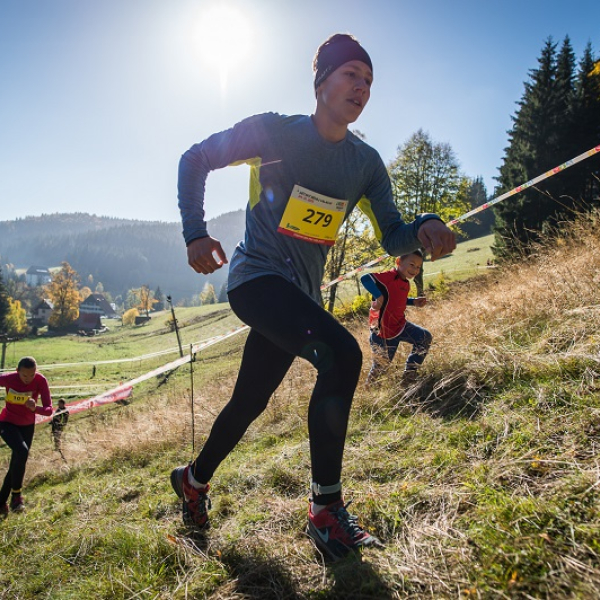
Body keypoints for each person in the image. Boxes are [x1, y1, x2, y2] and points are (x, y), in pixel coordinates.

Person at [171, 33, 456, 560]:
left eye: (369, 81)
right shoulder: (273, 132)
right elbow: (195, 159)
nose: (362, 88)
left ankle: (193, 479)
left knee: (249, 402)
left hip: (300, 295)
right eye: (351, 74)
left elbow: (391, 231)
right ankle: (325, 511)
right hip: (256, 280)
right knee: (344, 355)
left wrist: (425, 227)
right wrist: (195, 231)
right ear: (321, 81)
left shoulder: (365, 164)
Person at [361, 250, 432, 386]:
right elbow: (365, 278)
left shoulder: (405, 283)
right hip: (383, 333)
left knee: (424, 337)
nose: (415, 269)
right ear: (398, 262)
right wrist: (379, 296)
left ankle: (409, 375)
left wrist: (413, 302)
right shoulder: (389, 276)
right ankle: (368, 390)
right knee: (381, 367)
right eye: (411, 264)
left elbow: (397, 299)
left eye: (418, 267)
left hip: (401, 326)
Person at [0, 356, 53, 516]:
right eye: (24, 376)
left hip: (27, 426)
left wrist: (35, 408)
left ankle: (1, 502)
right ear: (17, 372)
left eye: (31, 375)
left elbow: (49, 409)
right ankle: (17, 497)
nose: (28, 379)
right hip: (7, 423)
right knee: (22, 452)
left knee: (17, 462)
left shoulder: (40, 380)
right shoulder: (9, 379)